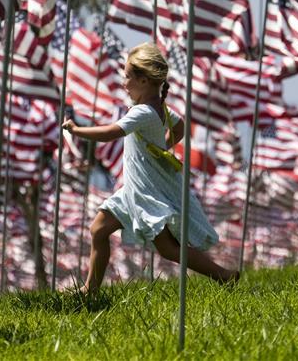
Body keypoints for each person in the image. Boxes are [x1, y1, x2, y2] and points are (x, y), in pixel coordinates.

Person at [62, 42, 238, 291]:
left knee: (168, 249)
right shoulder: (159, 107)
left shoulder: (143, 112)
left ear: (144, 80)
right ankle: (90, 290)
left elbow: (112, 132)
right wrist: (162, 147)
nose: (124, 83)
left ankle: (224, 275)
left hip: (144, 192)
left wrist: (77, 130)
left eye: (128, 77)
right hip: (133, 190)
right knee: (98, 229)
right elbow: (180, 127)